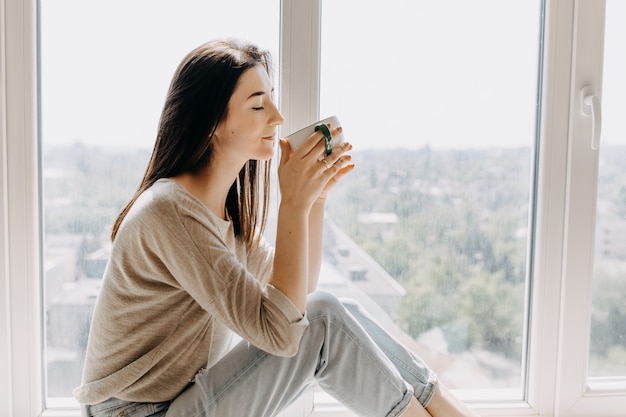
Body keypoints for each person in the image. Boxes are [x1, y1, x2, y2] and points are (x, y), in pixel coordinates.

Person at [74, 38, 480, 417]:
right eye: (257, 105)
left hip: (176, 402)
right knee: (323, 320)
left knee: (341, 312)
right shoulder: (172, 213)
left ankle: (444, 406)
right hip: (134, 412)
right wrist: (294, 203)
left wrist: (313, 201)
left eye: (272, 99)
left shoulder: (215, 212)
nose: (278, 117)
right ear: (211, 122)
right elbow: (285, 333)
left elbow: (299, 295)